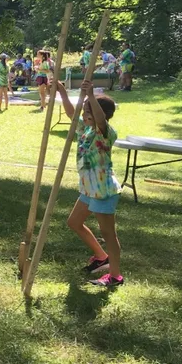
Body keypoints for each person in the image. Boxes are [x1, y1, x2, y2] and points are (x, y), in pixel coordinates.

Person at [57, 80, 123, 287]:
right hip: (88, 189)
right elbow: (71, 113)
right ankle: (101, 257)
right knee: (74, 223)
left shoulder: (105, 133)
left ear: (99, 114)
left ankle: (115, 276)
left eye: (88, 112)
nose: (84, 115)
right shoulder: (85, 130)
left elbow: (101, 121)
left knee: (108, 233)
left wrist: (92, 97)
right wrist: (62, 92)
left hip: (103, 190)